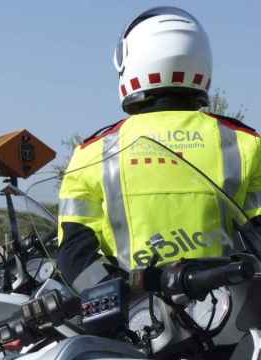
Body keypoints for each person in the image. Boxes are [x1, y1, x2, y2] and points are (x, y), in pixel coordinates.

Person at [57, 6, 261, 293]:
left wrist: (116, 298)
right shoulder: (244, 143)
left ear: (129, 62)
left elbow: (74, 255)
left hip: (137, 323)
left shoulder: (93, 152)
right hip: (227, 319)